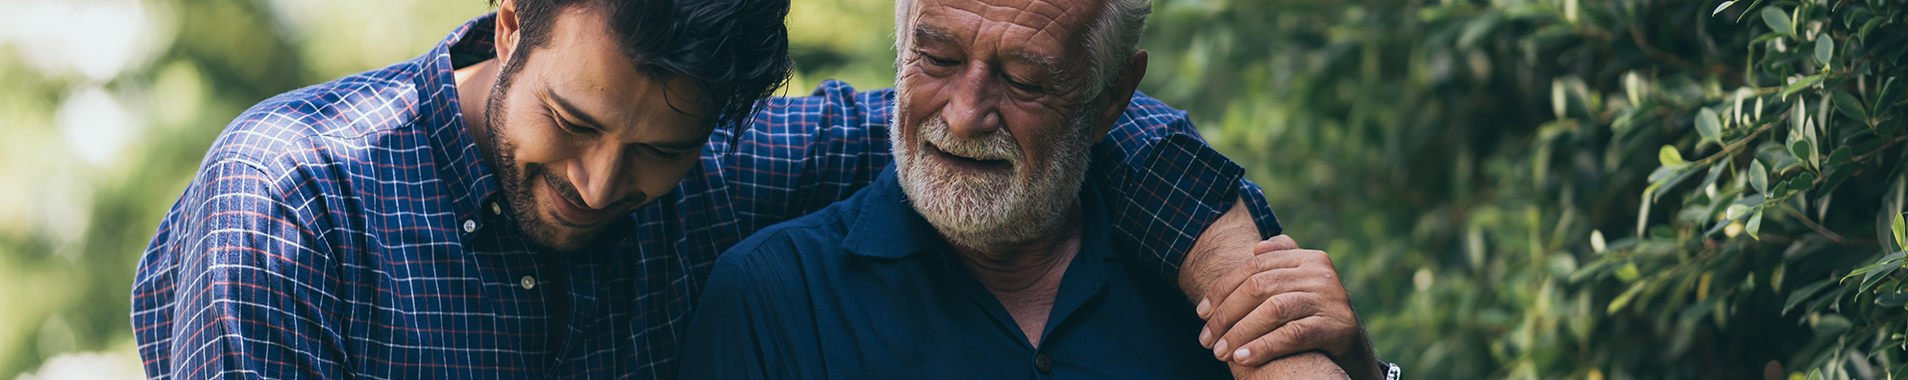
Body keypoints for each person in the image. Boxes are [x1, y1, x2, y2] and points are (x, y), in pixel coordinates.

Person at [129, 0, 1380, 378]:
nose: (601, 183)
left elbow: (1052, 125)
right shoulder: (292, 201)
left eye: (661, 149)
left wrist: (1238, 277)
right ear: (509, 20)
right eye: (571, 120)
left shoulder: (715, 172)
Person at [678, 0, 1391, 377]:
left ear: (1113, 96)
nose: (963, 114)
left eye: (1024, 80)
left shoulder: (1206, 289)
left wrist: (1360, 373)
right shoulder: (772, 297)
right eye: (936, 58)